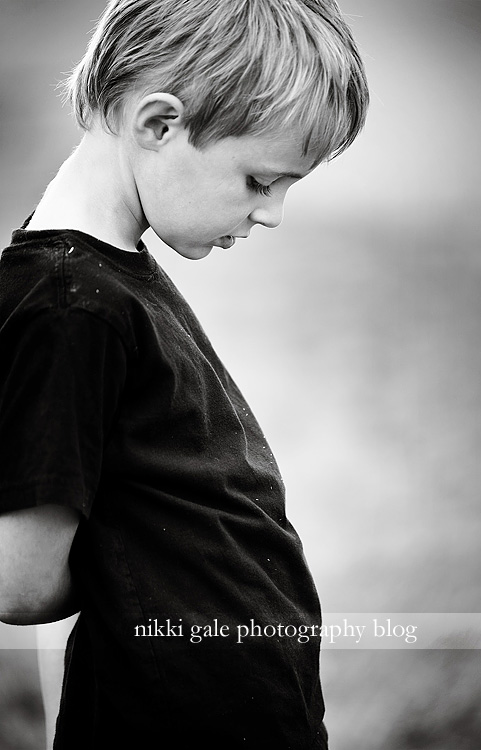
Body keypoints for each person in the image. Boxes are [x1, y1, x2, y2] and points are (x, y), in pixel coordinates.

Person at [0, 0, 368, 747]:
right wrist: (155, 593)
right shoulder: (71, 307)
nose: (273, 213)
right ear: (159, 125)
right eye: (260, 180)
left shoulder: (109, 279)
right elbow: (22, 581)